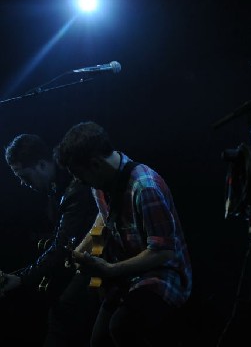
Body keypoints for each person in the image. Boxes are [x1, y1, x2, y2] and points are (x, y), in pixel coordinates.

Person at [54, 121, 193, 347]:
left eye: (80, 176)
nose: (79, 182)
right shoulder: (100, 183)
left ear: (95, 164)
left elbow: (164, 253)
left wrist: (111, 269)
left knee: (122, 327)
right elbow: (105, 215)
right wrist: (81, 248)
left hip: (165, 274)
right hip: (130, 276)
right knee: (98, 341)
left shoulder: (145, 187)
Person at [0, 133, 99, 346]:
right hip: (85, 260)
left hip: (100, 263)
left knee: (64, 313)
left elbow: (62, 244)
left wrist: (23, 278)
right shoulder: (58, 187)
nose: (23, 184)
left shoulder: (75, 189)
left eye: (25, 177)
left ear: (42, 164)